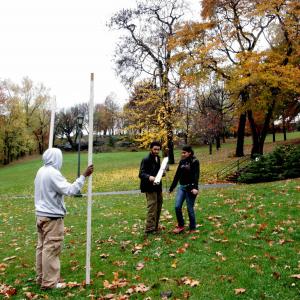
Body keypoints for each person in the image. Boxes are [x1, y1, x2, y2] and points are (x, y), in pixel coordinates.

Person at [34, 147, 93, 289]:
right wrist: (83, 176)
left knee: (42, 248)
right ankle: (49, 283)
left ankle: (42, 278)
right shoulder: (53, 173)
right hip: (52, 217)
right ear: (56, 158)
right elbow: (71, 190)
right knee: (51, 249)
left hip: (41, 215)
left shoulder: (41, 171)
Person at [169, 145, 200, 234]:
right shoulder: (182, 162)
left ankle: (193, 228)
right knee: (177, 206)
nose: (182, 154)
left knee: (190, 208)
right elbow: (177, 175)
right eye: (182, 152)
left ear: (189, 152)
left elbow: (196, 175)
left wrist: (195, 188)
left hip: (190, 188)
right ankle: (181, 225)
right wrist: (172, 187)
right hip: (181, 188)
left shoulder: (195, 161)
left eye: (184, 152)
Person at [139, 141, 163, 234]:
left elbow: (157, 172)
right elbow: (141, 174)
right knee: (152, 207)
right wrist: (149, 177)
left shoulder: (158, 158)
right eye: (155, 149)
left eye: (158, 149)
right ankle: (149, 229)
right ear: (151, 149)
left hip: (157, 186)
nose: (157, 151)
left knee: (159, 205)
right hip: (149, 187)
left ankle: (155, 227)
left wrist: (162, 174)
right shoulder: (146, 159)